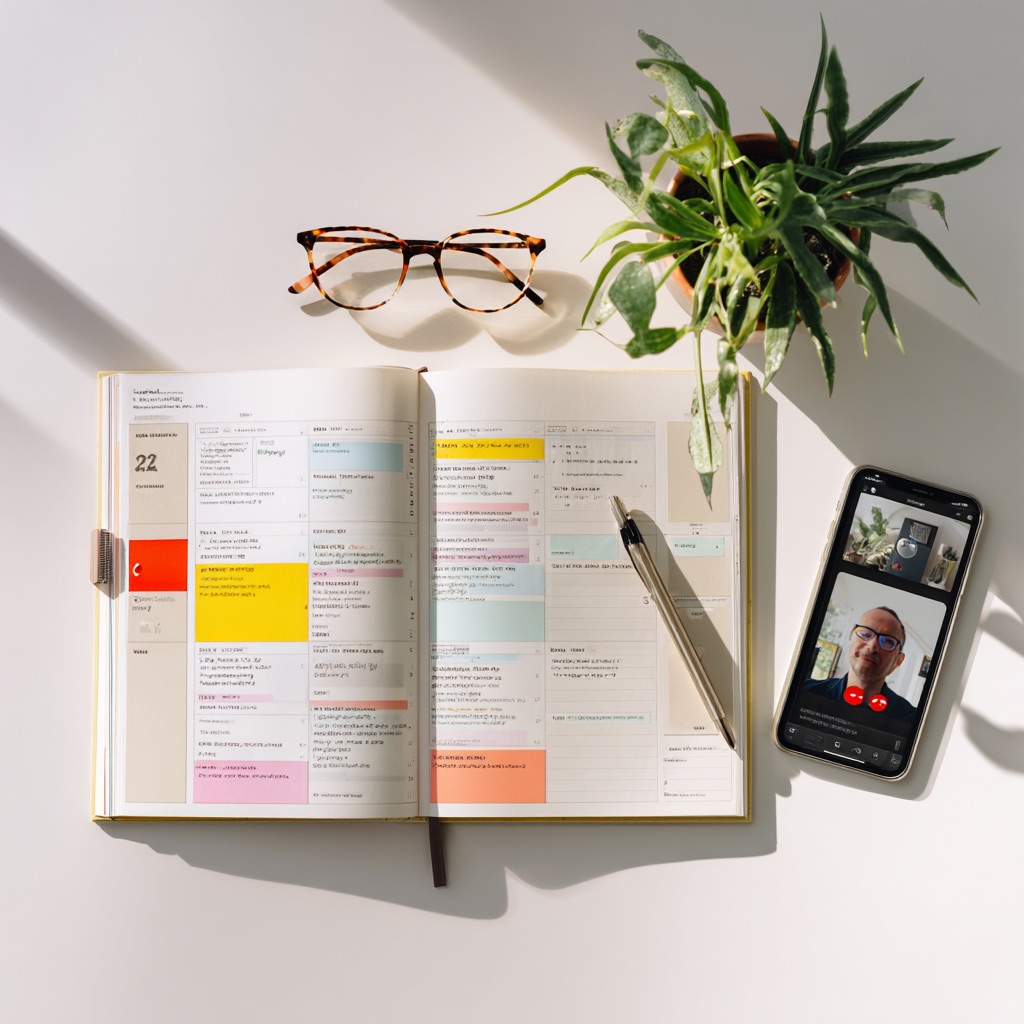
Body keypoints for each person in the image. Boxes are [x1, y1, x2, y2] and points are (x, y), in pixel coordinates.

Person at [804, 606, 917, 720]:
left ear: (898, 661)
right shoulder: (805, 692)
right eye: (865, 634)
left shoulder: (910, 719)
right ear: (851, 637)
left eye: (888, 641)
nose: (872, 646)